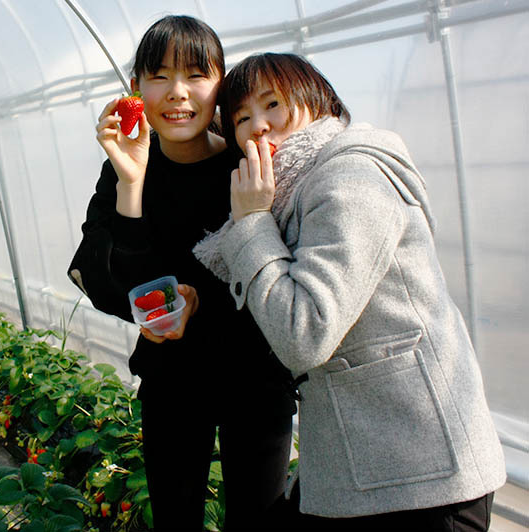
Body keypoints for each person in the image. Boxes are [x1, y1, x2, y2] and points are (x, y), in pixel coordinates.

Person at [194, 52, 506, 531]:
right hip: (367, 466)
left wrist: (252, 223)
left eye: (272, 104)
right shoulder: (296, 188)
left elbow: (305, 333)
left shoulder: (350, 178)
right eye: (241, 118)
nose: (258, 127)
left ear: (318, 100)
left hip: (420, 476)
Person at [67, 16, 296, 531]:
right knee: (175, 519)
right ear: (135, 89)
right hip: (172, 377)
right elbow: (108, 285)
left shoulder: (248, 162)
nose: (178, 93)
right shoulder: (122, 165)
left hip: (255, 378)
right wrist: (131, 183)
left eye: (196, 75)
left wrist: (205, 305)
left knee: (256, 522)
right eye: (159, 76)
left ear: (221, 85)